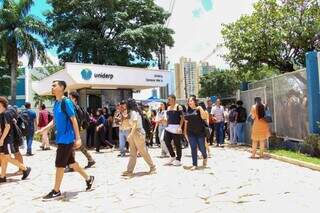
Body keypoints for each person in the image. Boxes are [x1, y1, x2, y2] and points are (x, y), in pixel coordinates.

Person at [36, 80, 94, 200]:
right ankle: (89, 178)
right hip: (61, 138)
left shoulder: (66, 101)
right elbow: (55, 120)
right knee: (72, 163)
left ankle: (56, 191)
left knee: (59, 165)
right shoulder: (57, 103)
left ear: (62, 87)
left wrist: (78, 138)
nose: (52, 87)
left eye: (54, 85)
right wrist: (45, 129)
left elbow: (73, 119)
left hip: (67, 139)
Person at [0, 96, 31, 183]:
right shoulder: (2, 114)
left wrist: (2, 139)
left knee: (7, 157)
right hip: (5, 140)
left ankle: (25, 168)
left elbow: (7, 127)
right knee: (3, 157)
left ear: (1, 104)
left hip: (7, 140)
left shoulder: (6, 113)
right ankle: (2, 176)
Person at [122, 99, 156, 176]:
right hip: (135, 132)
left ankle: (152, 167)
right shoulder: (131, 112)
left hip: (138, 133)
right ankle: (129, 170)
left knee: (143, 152)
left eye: (126, 104)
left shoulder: (134, 112)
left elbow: (134, 124)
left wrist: (130, 134)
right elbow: (131, 124)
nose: (125, 105)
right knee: (132, 153)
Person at [69, 92, 96, 169]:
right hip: (75, 129)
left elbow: (74, 120)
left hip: (74, 129)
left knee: (72, 146)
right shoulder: (76, 107)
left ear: (74, 98)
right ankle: (90, 159)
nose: (68, 99)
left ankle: (72, 165)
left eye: (70, 97)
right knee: (76, 146)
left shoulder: (73, 107)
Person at [184, 97, 208, 170]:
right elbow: (186, 123)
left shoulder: (199, 109)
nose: (189, 102)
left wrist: (200, 108)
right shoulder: (187, 111)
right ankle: (195, 164)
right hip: (191, 133)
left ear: (194, 101)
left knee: (202, 148)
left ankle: (205, 157)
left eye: (191, 100)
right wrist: (185, 132)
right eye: (188, 101)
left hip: (200, 132)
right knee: (193, 148)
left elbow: (204, 117)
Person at [164, 95, 184, 166]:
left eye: (169, 99)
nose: (168, 101)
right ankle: (172, 156)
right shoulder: (168, 107)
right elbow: (168, 117)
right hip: (169, 127)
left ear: (174, 99)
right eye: (168, 99)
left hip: (176, 127)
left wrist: (180, 127)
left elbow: (182, 118)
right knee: (166, 140)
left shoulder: (179, 107)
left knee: (177, 144)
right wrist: (166, 123)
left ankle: (178, 159)